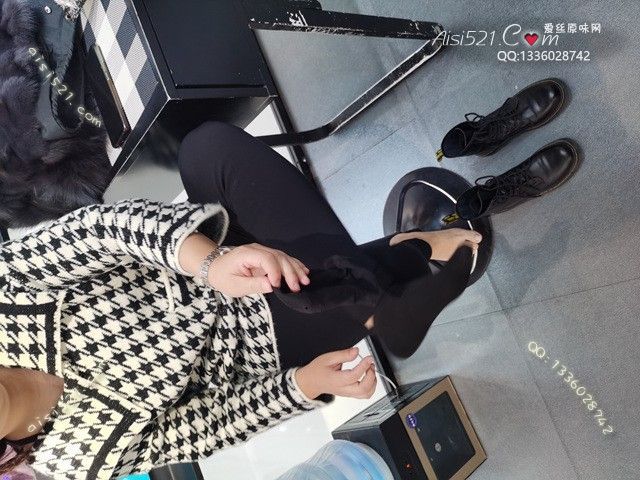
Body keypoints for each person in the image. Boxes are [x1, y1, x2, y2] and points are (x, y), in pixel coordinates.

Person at [0, 121, 480, 479]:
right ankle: (413, 261)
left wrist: (209, 263)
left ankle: (397, 281)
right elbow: (209, 425)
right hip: (260, 340)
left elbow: (99, 231)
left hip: (206, 251)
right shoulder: (74, 460)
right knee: (315, 292)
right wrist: (301, 386)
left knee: (206, 148)